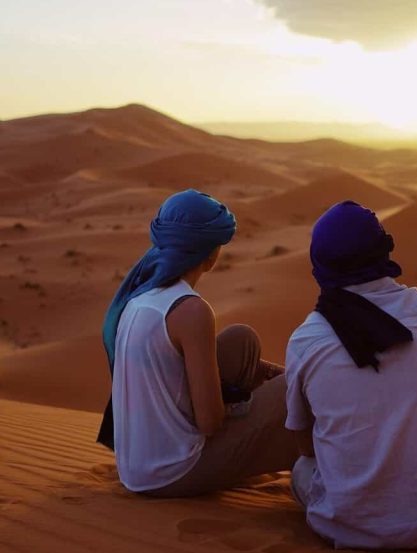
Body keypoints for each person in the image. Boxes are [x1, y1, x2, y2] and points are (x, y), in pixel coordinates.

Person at [285, 200, 417, 550]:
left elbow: (304, 445)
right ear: (382, 249)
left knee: (301, 470)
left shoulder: (307, 337)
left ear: (320, 262)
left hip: (346, 528)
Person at [97, 189, 297, 496]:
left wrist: (268, 375)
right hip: (172, 471)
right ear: (211, 253)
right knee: (295, 389)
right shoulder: (190, 310)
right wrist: (253, 402)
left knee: (241, 341)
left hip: (137, 466)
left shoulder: (142, 294)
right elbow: (210, 423)